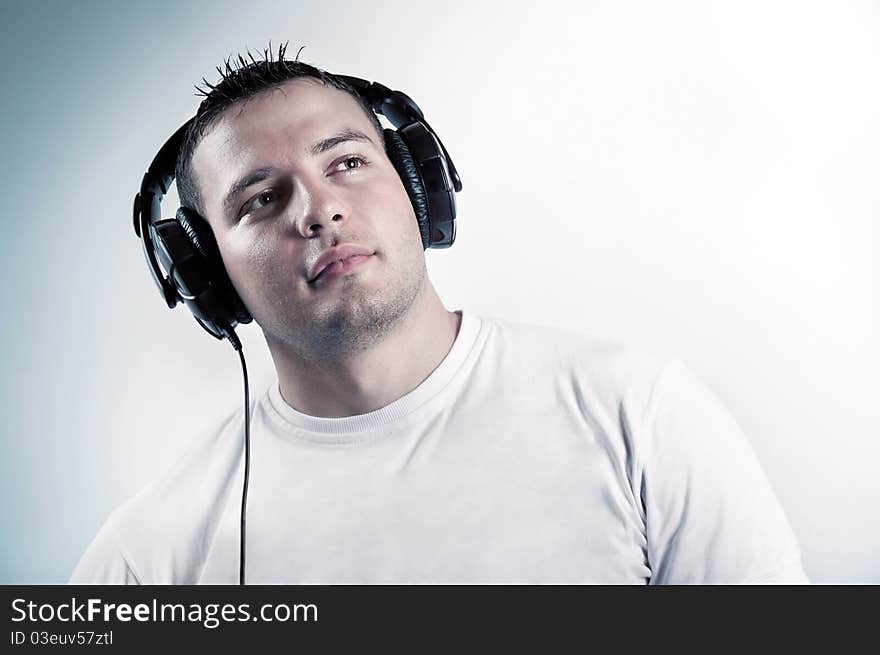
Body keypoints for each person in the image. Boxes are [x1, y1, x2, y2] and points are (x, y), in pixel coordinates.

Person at [70, 45, 808, 584]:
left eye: (347, 162)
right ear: (206, 272)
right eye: (261, 198)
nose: (320, 208)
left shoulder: (640, 414)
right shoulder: (150, 554)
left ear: (418, 185)